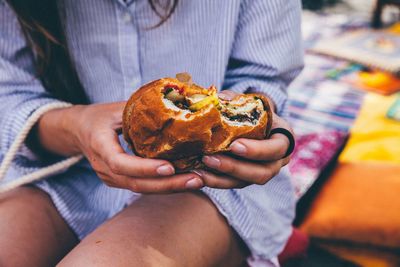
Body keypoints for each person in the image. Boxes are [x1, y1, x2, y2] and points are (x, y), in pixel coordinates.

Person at [0, 0, 303, 266]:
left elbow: (263, 77)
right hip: (63, 173)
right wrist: (76, 125)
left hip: (211, 184)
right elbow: (8, 94)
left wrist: (259, 120)